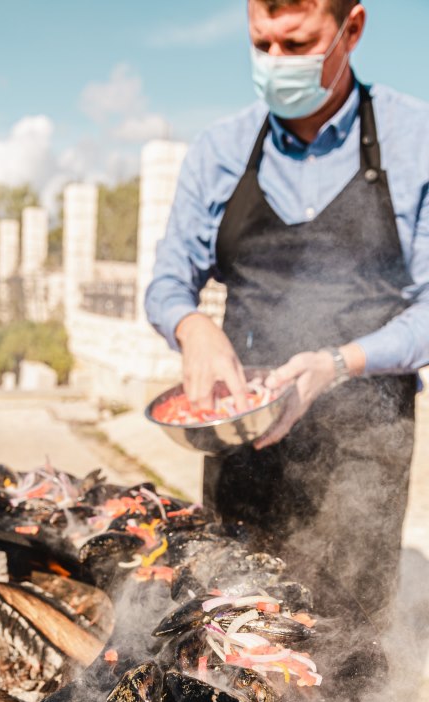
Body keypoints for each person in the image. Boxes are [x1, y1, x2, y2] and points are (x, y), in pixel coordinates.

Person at [145, 0, 429, 627]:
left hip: (364, 445)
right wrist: (193, 329)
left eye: (297, 45)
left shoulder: (417, 141)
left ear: (351, 30)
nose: (276, 63)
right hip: (241, 431)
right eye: (261, 43)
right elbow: (167, 282)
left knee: (343, 646)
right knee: (223, 629)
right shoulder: (219, 149)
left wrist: (337, 362)